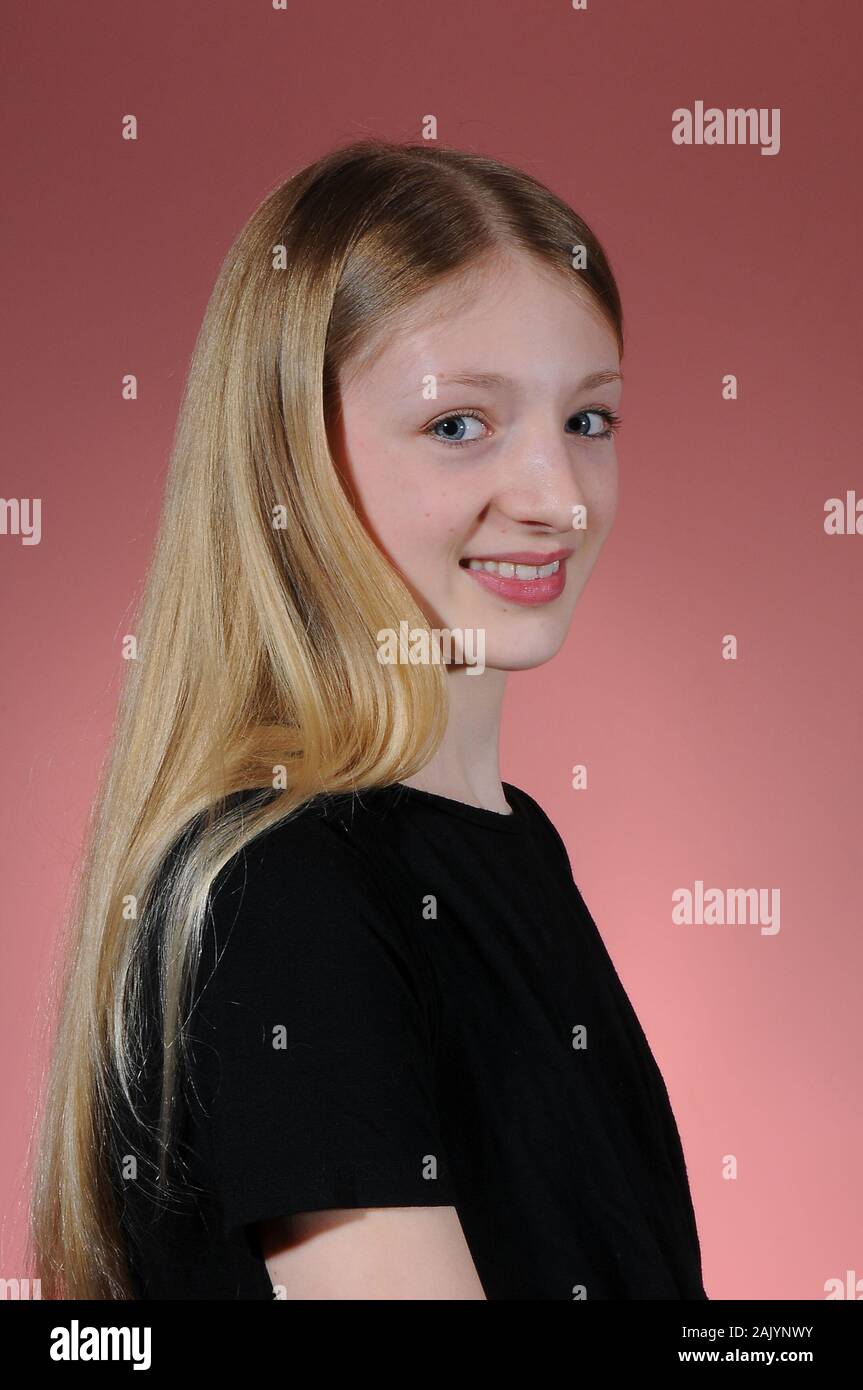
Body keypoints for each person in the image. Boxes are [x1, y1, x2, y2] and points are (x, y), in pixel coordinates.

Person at [29, 138, 708, 1300]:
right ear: (293, 462)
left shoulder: (508, 845)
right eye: (459, 425)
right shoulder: (287, 886)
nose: (555, 498)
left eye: (588, 419)